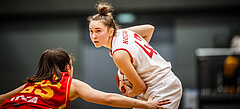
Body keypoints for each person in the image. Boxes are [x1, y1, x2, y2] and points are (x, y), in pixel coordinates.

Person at [0, 49, 171, 109]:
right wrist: (148, 104)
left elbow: (1, 99)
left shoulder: (31, 84)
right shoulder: (70, 83)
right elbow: (109, 99)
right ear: (68, 67)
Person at [88, 1, 182, 109]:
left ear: (110, 32)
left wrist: (130, 92)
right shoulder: (123, 33)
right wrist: (138, 55)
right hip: (151, 88)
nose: (94, 36)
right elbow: (149, 29)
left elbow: (140, 88)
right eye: (91, 31)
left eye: (98, 31)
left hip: (163, 86)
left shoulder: (119, 54)